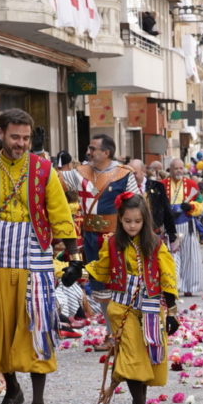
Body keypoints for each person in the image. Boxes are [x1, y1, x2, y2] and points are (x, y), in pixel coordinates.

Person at [0, 109, 83, 404]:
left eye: (26, 138)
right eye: (15, 137)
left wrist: (74, 257)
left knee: (38, 328)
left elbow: (58, 212)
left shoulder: (44, 169)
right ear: (1, 134)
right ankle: (12, 389)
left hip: (36, 260)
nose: (21, 144)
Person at [83, 194, 179, 404]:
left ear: (144, 220)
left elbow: (167, 275)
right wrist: (75, 269)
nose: (132, 226)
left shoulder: (156, 244)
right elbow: (102, 268)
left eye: (137, 221)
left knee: (147, 355)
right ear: (120, 219)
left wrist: (173, 312)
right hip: (121, 308)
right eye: (127, 221)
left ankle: (141, 400)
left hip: (150, 309)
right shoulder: (113, 243)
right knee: (132, 354)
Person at [77, 135, 138, 346]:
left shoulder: (124, 174)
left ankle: (125, 330)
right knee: (100, 287)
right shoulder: (81, 172)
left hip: (116, 238)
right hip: (91, 237)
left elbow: (137, 205)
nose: (89, 152)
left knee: (120, 285)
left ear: (106, 153)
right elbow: (53, 179)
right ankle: (111, 332)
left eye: (93, 149)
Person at [166, 158, 203, 296]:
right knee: (171, 257)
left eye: (180, 168)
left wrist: (191, 207)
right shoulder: (163, 185)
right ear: (170, 169)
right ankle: (174, 287)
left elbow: (200, 205)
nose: (178, 171)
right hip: (169, 226)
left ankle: (190, 287)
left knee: (190, 257)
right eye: (175, 168)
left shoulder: (191, 184)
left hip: (187, 224)